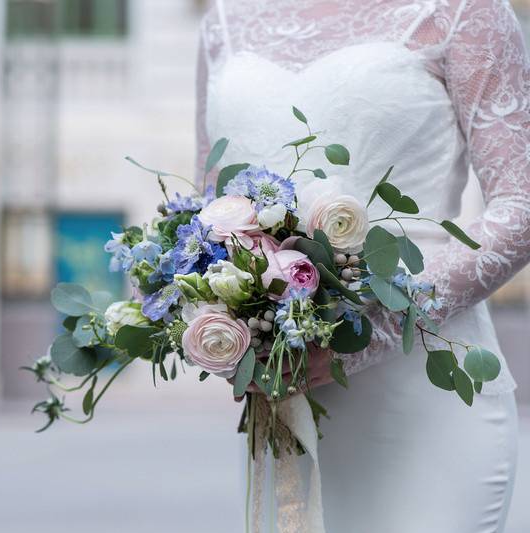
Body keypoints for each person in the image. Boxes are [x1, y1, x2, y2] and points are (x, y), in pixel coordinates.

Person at [196, 0, 527, 531]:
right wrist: (220, 320)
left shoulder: (467, 10)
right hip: (283, 398)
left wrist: (369, 330)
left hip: (425, 389)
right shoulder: (224, 22)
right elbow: (204, 211)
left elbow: (520, 208)